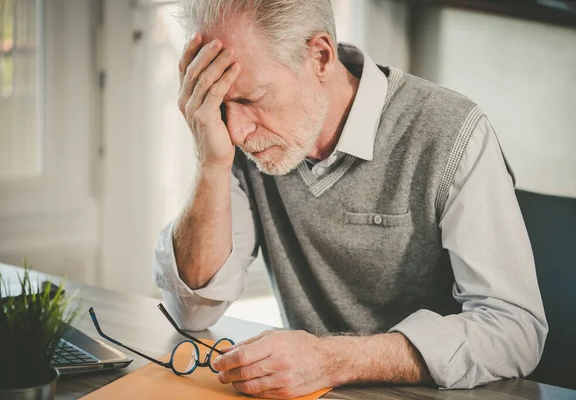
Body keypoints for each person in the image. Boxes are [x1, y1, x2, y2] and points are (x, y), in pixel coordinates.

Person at [152, 0, 548, 398]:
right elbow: (192, 311)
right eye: (220, 103)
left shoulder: (452, 133)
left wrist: (332, 360)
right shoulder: (233, 142)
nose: (236, 131)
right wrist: (211, 165)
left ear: (320, 57)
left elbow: (514, 330)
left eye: (252, 99)